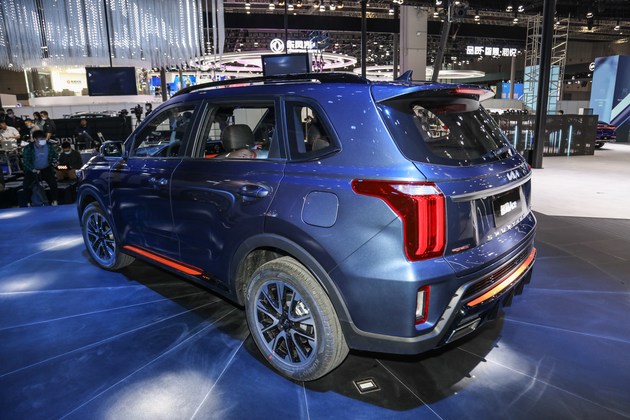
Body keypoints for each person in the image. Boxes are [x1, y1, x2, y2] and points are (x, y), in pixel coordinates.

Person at [21, 130, 59, 206]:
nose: (43, 141)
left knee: (53, 184)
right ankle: (28, 203)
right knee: (26, 186)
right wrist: (33, 169)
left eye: (44, 139)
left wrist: (55, 161)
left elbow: (55, 156)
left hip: (46, 168)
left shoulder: (49, 146)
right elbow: (26, 161)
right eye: (40, 139)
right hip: (33, 170)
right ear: (35, 139)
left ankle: (55, 201)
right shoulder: (29, 148)